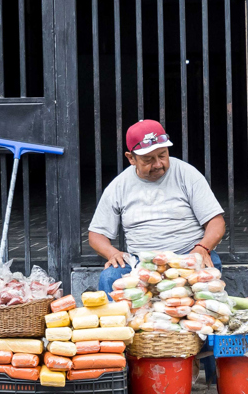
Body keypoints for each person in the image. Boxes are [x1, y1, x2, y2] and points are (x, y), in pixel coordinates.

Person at [89, 119, 227, 294]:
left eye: (162, 155)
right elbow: (96, 234)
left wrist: (203, 248)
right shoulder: (119, 186)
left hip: (188, 256)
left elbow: (216, 221)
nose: (158, 164)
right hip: (142, 262)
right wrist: (111, 253)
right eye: (148, 159)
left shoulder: (187, 174)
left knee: (208, 272)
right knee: (109, 277)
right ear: (131, 158)